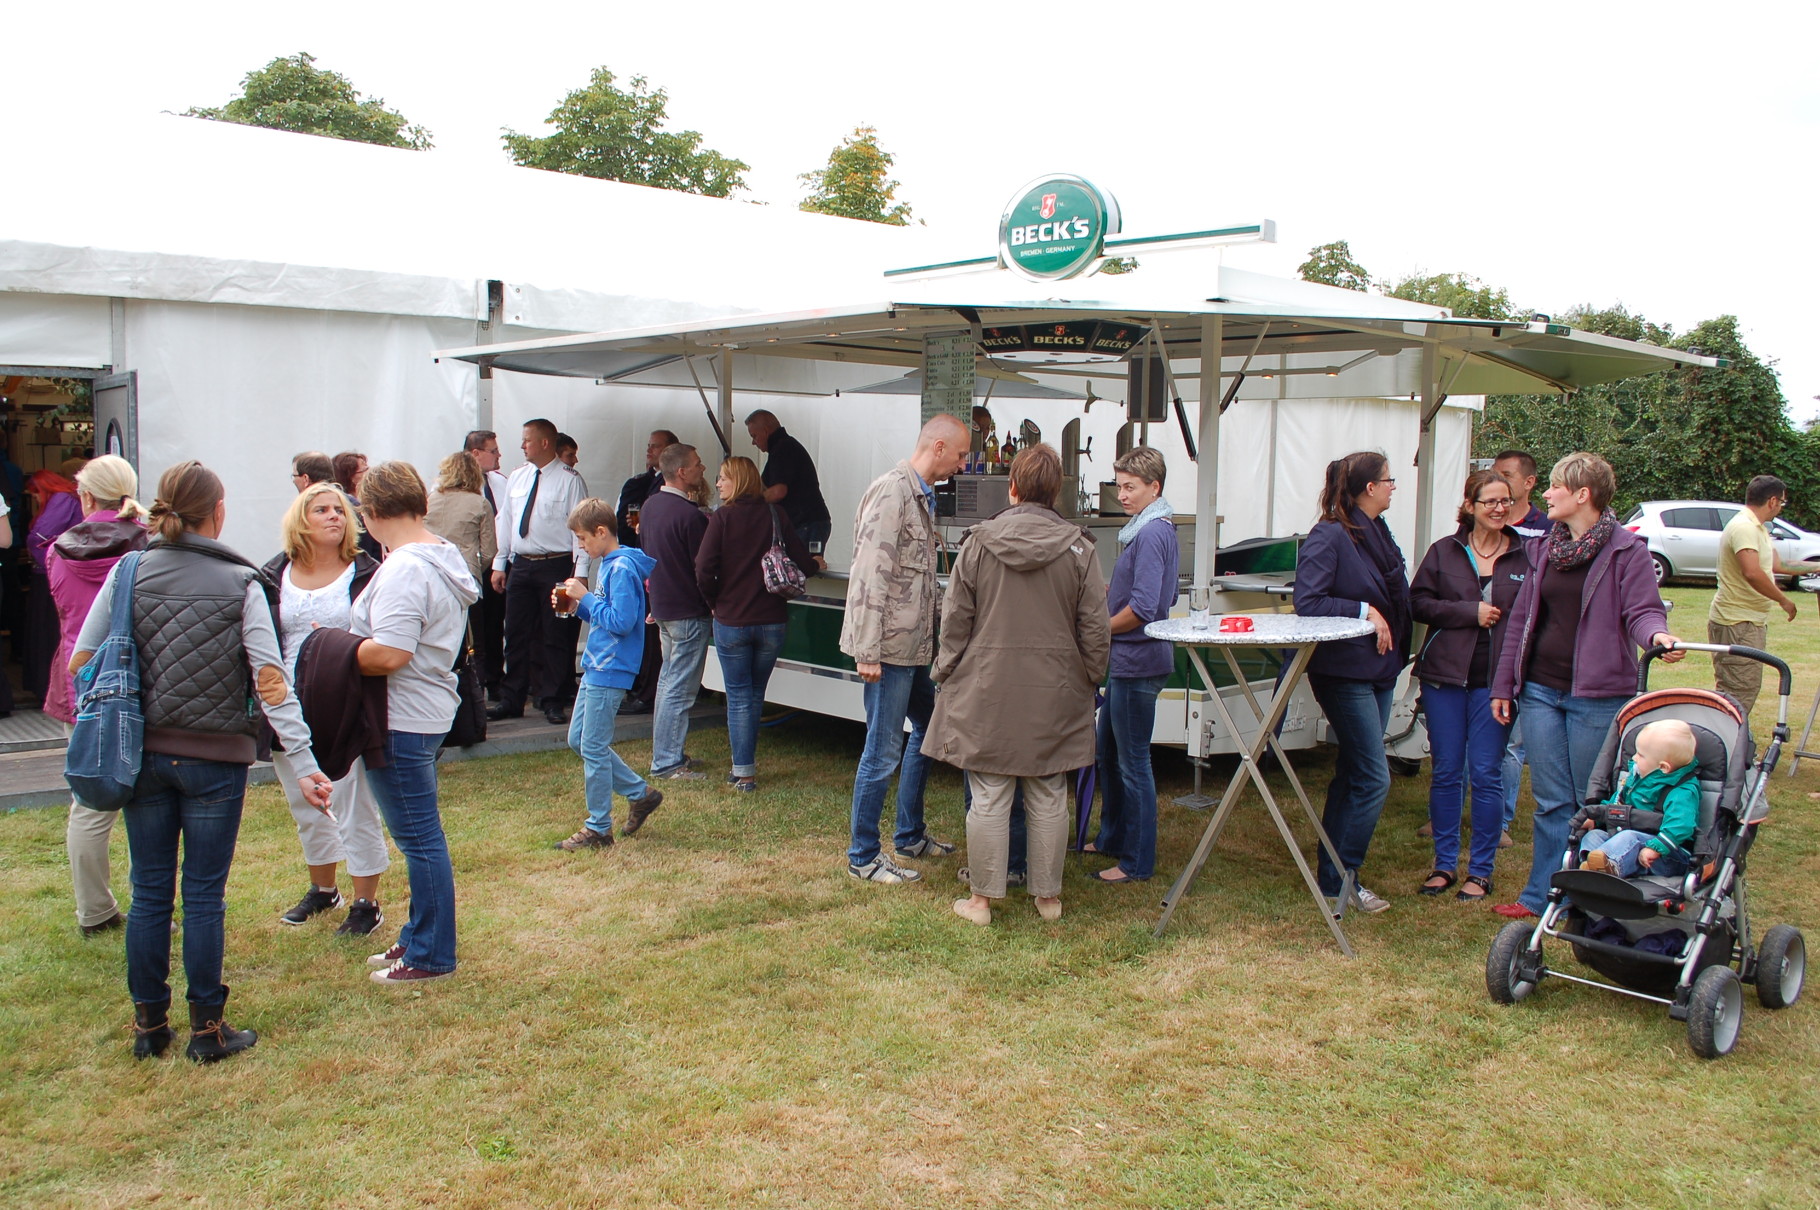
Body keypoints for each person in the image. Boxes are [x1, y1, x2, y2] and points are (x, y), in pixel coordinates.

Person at [70, 460, 333, 1062]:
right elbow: (271, 681)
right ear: (218, 511)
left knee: (150, 891)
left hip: (144, 757)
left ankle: (148, 1027)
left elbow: (82, 659)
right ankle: (208, 1031)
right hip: (216, 760)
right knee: (204, 895)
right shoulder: (241, 582)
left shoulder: (130, 570)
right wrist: (306, 758)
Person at [1490, 451, 1683, 920]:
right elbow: (1519, 622)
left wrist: (1657, 637)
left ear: (1582, 495)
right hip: (1539, 691)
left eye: (1555, 486)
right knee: (1551, 802)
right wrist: (1503, 684)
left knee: (1588, 803)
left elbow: (1642, 611)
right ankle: (1541, 897)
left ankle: (1588, 899)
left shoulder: (1626, 551)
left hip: (1597, 697)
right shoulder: (1542, 550)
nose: (1545, 494)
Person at [924, 444, 1109, 926]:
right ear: (1055, 492)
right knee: (1048, 790)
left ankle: (982, 901)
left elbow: (954, 620)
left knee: (988, 793)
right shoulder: (1080, 549)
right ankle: (1047, 898)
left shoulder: (978, 544)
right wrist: (1094, 676)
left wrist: (944, 670)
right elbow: (1095, 627)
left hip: (988, 688)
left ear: (1013, 488)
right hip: (1057, 689)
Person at [348, 461, 480, 985]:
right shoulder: (438, 556)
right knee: (420, 836)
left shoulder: (407, 567)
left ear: (373, 513)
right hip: (419, 711)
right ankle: (418, 934)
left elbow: (392, 653)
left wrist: (331, 649)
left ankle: (431, 954)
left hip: (401, 715)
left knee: (420, 840)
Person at [841, 414, 969, 883]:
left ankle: (909, 834)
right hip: (889, 650)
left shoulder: (920, 495)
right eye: (959, 455)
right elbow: (870, 574)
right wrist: (867, 650)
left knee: (930, 730)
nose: (961, 464)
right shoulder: (892, 492)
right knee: (882, 749)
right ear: (938, 447)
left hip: (914, 650)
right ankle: (863, 856)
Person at [261, 483, 388, 936]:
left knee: (354, 804)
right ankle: (323, 889)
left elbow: (383, 636)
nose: (335, 516)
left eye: (340, 509)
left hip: (343, 699)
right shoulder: (273, 574)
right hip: (287, 704)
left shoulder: (368, 573)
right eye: (321, 509)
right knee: (305, 804)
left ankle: (365, 902)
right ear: (301, 520)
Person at [1292, 450, 1413, 915]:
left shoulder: (1375, 533)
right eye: (1388, 479)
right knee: (1373, 777)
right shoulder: (1330, 536)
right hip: (1344, 672)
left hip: (1380, 668)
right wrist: (1365, 612)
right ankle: (1345, 876)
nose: (1392, 486)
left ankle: (1333, 874)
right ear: (1368, 488)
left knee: (1354, 773)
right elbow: (1309, 600)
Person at [1407, 469, 1526, 902]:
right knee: (1447, 772)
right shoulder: (1445, 551)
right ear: (1470, 506)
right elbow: (1417, 603)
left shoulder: (1526, 554)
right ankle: (1443, 865)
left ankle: (1481, 870)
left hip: (1497, 683)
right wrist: (1467, 612)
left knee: (1487, 773)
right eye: (1490, 501)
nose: (1499, 508)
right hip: (1445, 677)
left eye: (1505, 501)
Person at [46, 455, 149, 935]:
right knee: (151, 801)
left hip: (81, 679)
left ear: (85, 496)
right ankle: (150, 904)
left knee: (88, 801)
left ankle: (95, 910)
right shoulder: (148, 546)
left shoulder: (56, 551)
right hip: (138, 681)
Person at [695, 456, 819, 792]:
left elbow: (703, 568)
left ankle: (744, 772)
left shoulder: (722, 518)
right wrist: (815, 561)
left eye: (723, 478)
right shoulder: (775, 515)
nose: (718, 484)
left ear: (738, 481)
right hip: (772, 622)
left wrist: (714, 602)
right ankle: (742, 769)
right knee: (754, 694)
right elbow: (804, 564)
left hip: (732, 621)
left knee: (739, 696)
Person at [549, 500, 665, 850]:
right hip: (599, 662)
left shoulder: (621, 569)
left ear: (602, 532)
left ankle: (598, 827)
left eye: (583, 539)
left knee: (593, 746)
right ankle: (639, 793)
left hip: (611, 666)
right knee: (579, 740)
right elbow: (608, 616)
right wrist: (578, 605)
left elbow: (622, 622)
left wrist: (586, 598)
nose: (581, 546)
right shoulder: (612, 565)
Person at [1087, 447, 1179, 884]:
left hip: (1138, 663)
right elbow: (1162, 596)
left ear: (1154, 487)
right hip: (1132, 660)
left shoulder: (1152, 533)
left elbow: (1144, 608)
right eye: (1118, 486)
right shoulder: (1147, 529)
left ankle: (1136, 861)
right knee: (1108, 752)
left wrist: (1101, 628)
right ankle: (1111, 837)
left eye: (1130, 487)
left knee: (1133, 763)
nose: (1121, 495)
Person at [490, 418, 591, 726]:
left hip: (557, 564)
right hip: (522, 564)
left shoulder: (569, 479)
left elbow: (580, 528)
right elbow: (506, 521)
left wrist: (581, 571)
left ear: (545, 443)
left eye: (528, 440)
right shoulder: (517, 477)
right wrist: (500, 562)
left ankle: (553, 699)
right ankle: (513, 697)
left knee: (556, 633)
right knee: (516, 632)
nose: (522, 446)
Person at [639, 442, 712, 782]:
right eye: (697, 464)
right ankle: (667, 761)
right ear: (682, 472)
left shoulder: (651, 507)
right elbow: (704, 570)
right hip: (687, 610)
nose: (703, 469)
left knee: (669, 682)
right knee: (679, 688)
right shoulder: (690, 516)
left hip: (664, 607)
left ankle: (668, 752)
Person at [1708, 475, 1798, 717]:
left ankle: (1731, 745)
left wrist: (1815, 567)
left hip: (1748, 620)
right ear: (1772, 501)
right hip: (1737, 621)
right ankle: (1728, 748)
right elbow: (1752, 572)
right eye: (1782, 503)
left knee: (1744, 688)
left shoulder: (1756, 527)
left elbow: (1779, 564)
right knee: (1738, 691)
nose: (1781, 507)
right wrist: (1783, 599)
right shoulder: (1745, 527)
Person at [1575, 719, 1701, 878]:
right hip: (1628, 843)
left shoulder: (1682, 791)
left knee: (1629, 837)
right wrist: (1597, 818)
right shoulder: (1637, 779)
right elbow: (1617, 803)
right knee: (1594, 835)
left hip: (1666, 854)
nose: (1634, 758)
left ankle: (1607, 870)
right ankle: (1591, 866)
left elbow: (1681, 825)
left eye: (1640, 755)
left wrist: (1656, 848)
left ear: (1663, 767)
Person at [25, 470, 84, 705]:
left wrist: (45, 561)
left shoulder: (61, 500)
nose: (36, 500)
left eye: (36, 494)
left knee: (49, 634)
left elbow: (39, 537)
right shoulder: (70, 500)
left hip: (52, 575)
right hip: (65, 572)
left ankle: (48, 690)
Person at [426, 452, 499, 640]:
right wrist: (474, 568)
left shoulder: (428, 500)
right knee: (474, 641)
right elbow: (489, 551)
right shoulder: (481, 503)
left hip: (430, 575)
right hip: (465, 578)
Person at [463, 430, 508, 700]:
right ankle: (476, 682)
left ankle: (495, 679)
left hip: (497, 564)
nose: (498, 455)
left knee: (495, 625)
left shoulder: (502, 483)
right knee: (474, 630)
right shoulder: (455, 488)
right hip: (469, 568)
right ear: (476, 453)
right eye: (493, 450)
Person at [746, 409, 831, 552]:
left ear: (766, 431)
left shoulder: (783, 449)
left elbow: (778, 491)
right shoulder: (783, 447)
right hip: (807, 524)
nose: (753, 442)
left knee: (804, 569)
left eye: (754, 436)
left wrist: (751, 502)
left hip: (807, 524)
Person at [616, 430, 676, 548]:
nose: (649, 450)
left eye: (655, 446)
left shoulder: (679, 481)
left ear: (670, 450)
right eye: (649, 446)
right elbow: (624, 526)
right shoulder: (636, 484)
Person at [331, 450, 383, 563]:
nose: (370, 472)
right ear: (350, 477)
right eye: (365, 469)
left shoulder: (370, 501)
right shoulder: (349, 508)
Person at [1493, 449, 1549, 539]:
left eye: (1506, 475)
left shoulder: (1547, 528)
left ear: (1528, 482)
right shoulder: (1481, 522)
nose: (1496, 481)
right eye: (1493, 475)